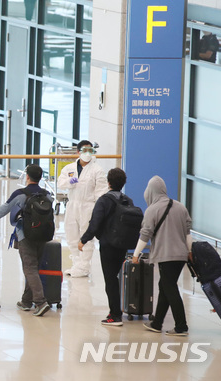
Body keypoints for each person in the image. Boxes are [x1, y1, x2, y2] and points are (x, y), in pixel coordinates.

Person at [0, 164, 53, 317]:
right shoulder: (47, 194)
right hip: (43, 235)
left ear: (27, 177)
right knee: (34, 267)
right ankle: (26, 301)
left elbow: (6, 207)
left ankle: (40, 302)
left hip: (26, 235)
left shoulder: (20, 194)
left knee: (29, 268)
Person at [132, 176, 192, 336]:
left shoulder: (152, 210)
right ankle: (157, 323)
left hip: (166, 256)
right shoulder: (180, 207)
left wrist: (136, 255)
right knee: (165, 286)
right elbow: (188, 233)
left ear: (150, 192)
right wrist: (190, 251)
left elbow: (145, 235)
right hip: (181, 256)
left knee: (170, 288)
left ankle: (181, 326)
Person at [78, 168, 132, 326]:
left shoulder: (104, 200)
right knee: (116, 277)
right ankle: (116, 310)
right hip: (123, 245)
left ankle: (115, 315)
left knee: (110, 280)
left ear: (108, 182)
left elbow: (95, 223)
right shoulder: (127, 200)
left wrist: (84, 239)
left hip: (108, 245)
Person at [57, 140, 108, 277]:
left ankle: (84, 266)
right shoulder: (69, 168)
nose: (87, 153)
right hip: (73, 204)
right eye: (85, 150)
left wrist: (99, 210)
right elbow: (60, 183)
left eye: (90, 151)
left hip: (88, 206)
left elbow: (101, 192)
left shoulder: (97, 170)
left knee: (86, 236)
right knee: (71, 234)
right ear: (78, 152)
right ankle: (76, 264)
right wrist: (70, 182)